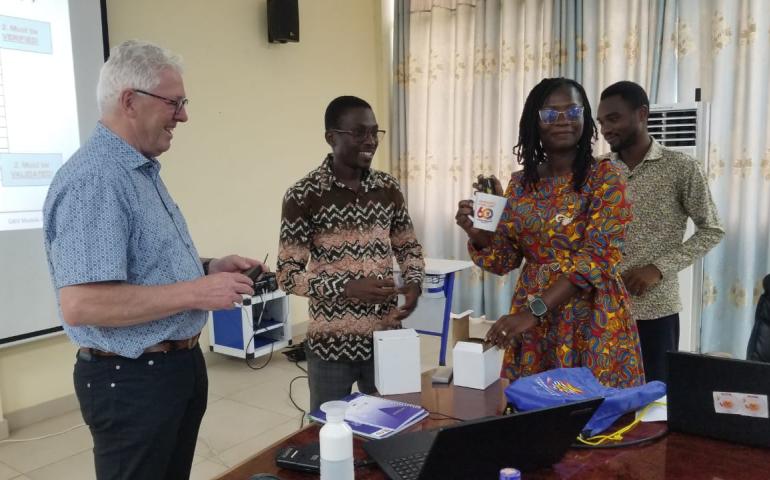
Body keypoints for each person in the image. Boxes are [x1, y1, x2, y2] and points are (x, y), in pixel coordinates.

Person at [43, 40, 266, 480]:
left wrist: (208, 268)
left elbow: (145, 265)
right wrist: (198, 292)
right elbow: (83, 303)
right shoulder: (97, 180)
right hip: (131, 382)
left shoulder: (138, 170)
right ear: (130, 101)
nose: (183, 115)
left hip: (170, 371)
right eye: (175, 103)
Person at [455, 77, 644, 388]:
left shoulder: (605, 178)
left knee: (592, 414)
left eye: (572, 111)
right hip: (534, 315)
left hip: (590, 313)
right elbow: (504, 260)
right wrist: (478, 233)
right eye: (550, 114)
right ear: (535, 122)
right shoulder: (520, 184)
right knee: (536, 410)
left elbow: (596, 259)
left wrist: (533, 312)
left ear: (584, 117)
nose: (563, 121)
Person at [277, 95, 425, 411]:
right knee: (332, 438)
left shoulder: (387, 188)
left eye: (375, 132)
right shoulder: (303, 196)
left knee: (391, 426)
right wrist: (346, 289)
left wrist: (414, 283)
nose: (370, 141)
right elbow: (287, 276)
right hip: (331, 348)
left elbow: (408, 247)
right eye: (359, 133)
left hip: (385, 339)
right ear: (332, 137)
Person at [597, 81, 724, 383]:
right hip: (602, 308)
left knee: (654, 402)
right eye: (601, 122)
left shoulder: (681, 167)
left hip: (655, 310)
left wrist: (658, 268)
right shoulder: (598, 171)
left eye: (613, 119)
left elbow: (712, 230)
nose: (605, 129)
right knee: (603, 396)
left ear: (642, 114)